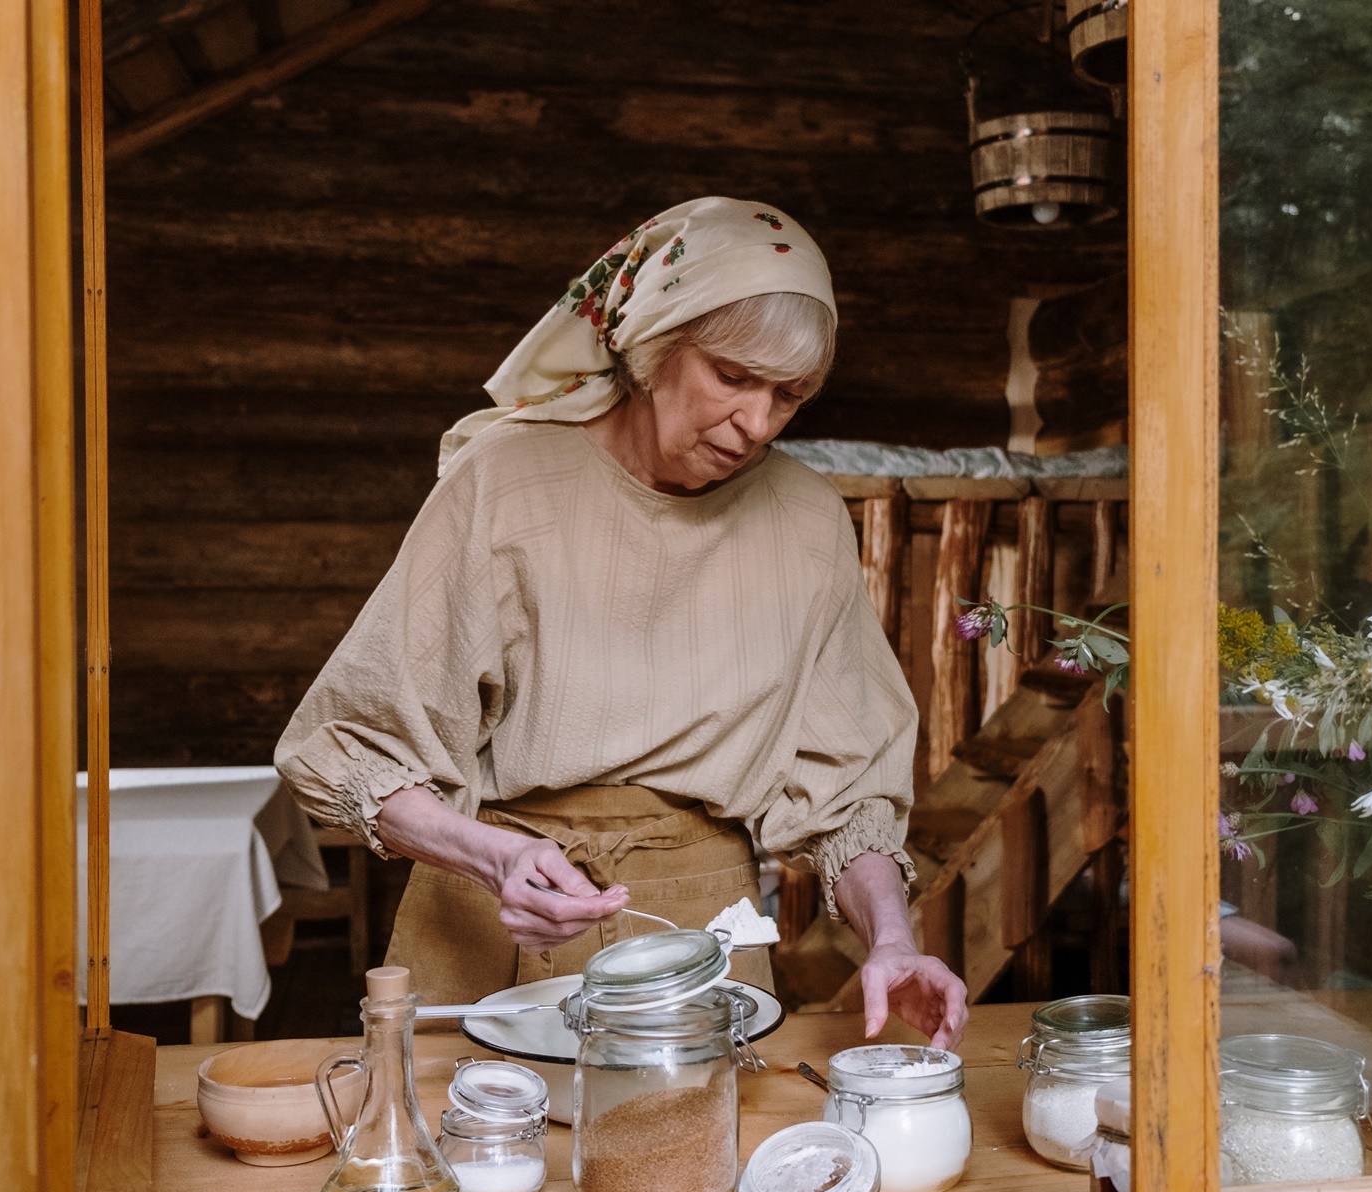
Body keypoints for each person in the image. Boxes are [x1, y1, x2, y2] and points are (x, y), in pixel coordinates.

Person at [276, 196, 967, 1047]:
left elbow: (847, 793)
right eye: (733, 376)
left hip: (692, 939)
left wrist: (892, 940)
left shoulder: (806, 521)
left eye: (789, 395)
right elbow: (351, 749)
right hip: (491, 917)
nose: (756, 424)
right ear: (655, 347)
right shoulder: (509, 481)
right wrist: (489, 857)